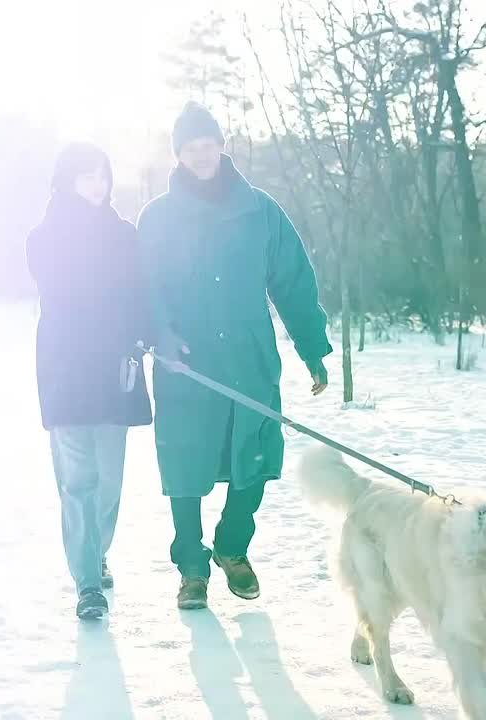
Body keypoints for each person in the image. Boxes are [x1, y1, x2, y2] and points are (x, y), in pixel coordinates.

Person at [137, 102, 333, 610]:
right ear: (178, 154)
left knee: (257, 457)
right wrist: (160, 334)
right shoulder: (157, 218)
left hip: (249, 358)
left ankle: (231, 545)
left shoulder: (259, 210)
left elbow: (292, 281)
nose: (201, 155)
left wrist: (313, 348)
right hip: (188, 363)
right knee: (186, 463)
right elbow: (144, 287)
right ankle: (191, 568)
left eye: (208, 144)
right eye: (190, 147)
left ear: (221, 145)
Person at [26, 143, 153, 620]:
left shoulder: (125, 235)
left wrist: (141, 337)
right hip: (66, 370)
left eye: (102, 176)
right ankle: (87, 582)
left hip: (115, 370)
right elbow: (67, 291)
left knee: (109, 480)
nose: (97, 186)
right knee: (77, 480)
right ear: (65, 181)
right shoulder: (44, 239)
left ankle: (96, 550)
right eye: (86, 177)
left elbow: (140, 292)